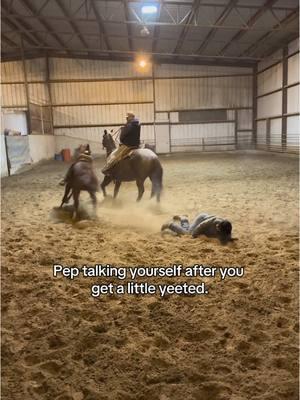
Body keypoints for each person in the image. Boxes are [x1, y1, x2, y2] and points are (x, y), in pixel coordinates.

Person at [161, 213, 235, 244]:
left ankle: (184, 218)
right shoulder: (213, 221)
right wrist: (193, 236)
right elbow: (200, 226)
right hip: (201, 219)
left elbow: (227, 236)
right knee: (187, 233)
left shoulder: (226, 228)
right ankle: (170, 225)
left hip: (206, 229)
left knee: (187, 230)